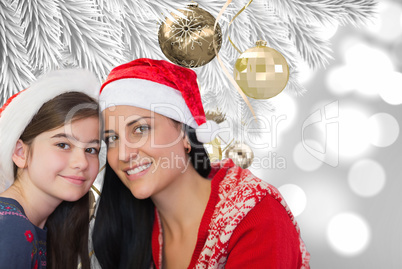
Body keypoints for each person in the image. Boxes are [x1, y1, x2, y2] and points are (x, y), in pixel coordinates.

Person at [93, 58, 310, 268]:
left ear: (186, 134)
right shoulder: (130, 225)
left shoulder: (256, 217)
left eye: (140, 129)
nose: (123, 154)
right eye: (112, 138)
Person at [0, 69, 101, 269]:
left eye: (91, 149)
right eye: (63, 145)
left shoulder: (39, 227)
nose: (81, 162)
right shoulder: (11, 229)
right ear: (21, 152)